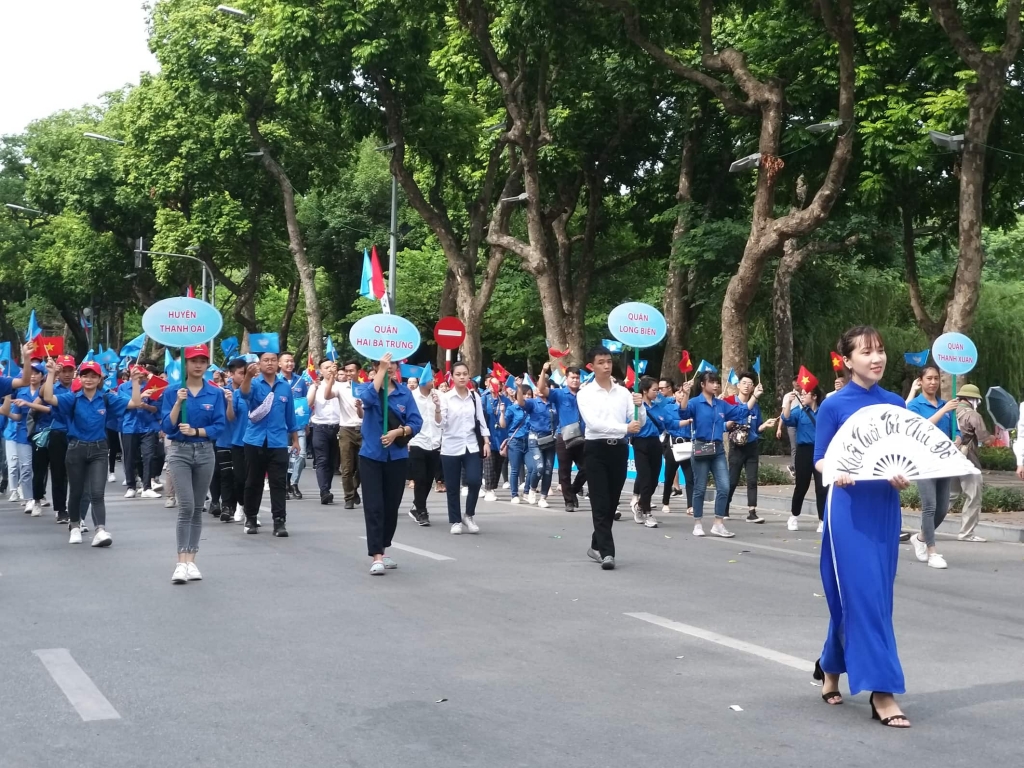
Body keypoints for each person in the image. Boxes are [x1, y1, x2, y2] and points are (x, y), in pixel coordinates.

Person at [813, 325, 911, 728]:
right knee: (866, 597)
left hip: (884, 509)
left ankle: (830, 664)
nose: (877, 358)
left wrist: (902, 475)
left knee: (871, 597)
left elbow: (902, 456)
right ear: (847, 360)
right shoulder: (833, 405)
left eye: (881, 350)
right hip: (848, 512)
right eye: (867, 352)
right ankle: (882, 692)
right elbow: (818, 458)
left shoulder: (894, 404)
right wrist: (836, 470)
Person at [42, 360, 144, 546]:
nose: (89, 379)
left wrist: (135, 381)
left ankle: (100, 530)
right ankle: (74, 526)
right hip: (76, 449)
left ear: (99, 379)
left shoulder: (106, 398)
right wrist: (50, 374)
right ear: (79, 378)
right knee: (77, 491)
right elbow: (48, 398)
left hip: (99, 449)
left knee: (97, 493)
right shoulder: (71, 398)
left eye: (93, 376)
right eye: (85, 375)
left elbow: (135, 402)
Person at [162, 345, 227, 584]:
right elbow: (167, 427)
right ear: (185, 364)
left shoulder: (215, 393)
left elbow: (219, 427)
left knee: (198, 506)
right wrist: (179, 404)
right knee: (186, 506)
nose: (198, 365)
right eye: (193, 361)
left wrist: (197, 431)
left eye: (202, 361)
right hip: (179, 452)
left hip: (205, 452)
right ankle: (180, 562)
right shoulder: (172, 392)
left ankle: (192, 561)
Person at [576, 346, 643, 570]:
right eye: (601, 362)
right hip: (596, 449)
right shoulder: (585, 393)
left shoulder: (623, 393)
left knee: (612, 500)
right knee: (600, 501)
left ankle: (596, 544)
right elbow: (594, 424)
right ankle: (607, 552)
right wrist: (625, 427)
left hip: (619, 450)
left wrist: (639, 407)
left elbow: (637, 422)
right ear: (592, 366)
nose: (606, 366)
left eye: (609, 362)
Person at [357, 353, 422, 574]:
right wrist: (380, 373)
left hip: (397, 457)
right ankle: (376, 556)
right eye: (385, 364)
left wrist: (398, 432)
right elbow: (366, 400)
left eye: (393, 364)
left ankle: (383, 549)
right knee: (373, 506)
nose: (390, 367)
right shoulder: (370, 389)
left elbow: (416, 422)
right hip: (371, 456)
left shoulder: (405, 393)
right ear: (375, 367)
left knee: (391, 507)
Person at [676, 371, 761, 538]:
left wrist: (755, 396)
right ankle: (698, 523)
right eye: (712, 382)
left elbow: (741, 412)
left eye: (717, 382)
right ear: (702, 384)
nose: (716, 385)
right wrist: (685, 394)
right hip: (701, 447)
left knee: (724, 486)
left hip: (718, 449)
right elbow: (683, 413)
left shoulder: (720, 404)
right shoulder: (695, 403)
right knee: (700, 488)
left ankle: (718, 523)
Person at [240, 349, 301, 537]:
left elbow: (290, 415)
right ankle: (250, 518)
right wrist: (248, 376)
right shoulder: (254, 383)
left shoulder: (284, 387)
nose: (270, 363)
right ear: (259, 363)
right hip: (255, 441)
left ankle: (279, 521)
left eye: (273, 360)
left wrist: (296, 439)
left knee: (278, 482)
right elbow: (244, 394)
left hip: (278, 442)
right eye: (265, 360)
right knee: (253, 481)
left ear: (278, 364)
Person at [905, 367, 960, 567]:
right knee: (930, 506)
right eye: (929, 378)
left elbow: (957, 432)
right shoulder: (914, 405)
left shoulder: (947, 405)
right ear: (920, 381)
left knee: (943, 508)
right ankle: (932, 552)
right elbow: (920, 428)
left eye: (936, 378)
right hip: (923, 462)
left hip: (944, 462)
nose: (933, 382)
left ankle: (920, 537)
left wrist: (957, 440)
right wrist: (943, 411)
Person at [437, 362, 490, 534]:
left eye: (465, 374)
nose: (461, 377)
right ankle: (455, 520)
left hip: (471, 445)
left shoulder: (475, 396)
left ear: (469, 376)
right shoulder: (445, 397)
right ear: (452, 376)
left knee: (474, 480)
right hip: (450, 446)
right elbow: (441, 424)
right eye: (458, 374)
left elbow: (481, 420)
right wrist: (437, 409)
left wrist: (486, 441)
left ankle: (469, 515)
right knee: (452, 486)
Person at [725, 371, 777, 525]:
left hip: (752, 446)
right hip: (736, 447)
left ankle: (752, 512)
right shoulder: (731, 404)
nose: (747, 386)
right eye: (744, 383)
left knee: (752, 480)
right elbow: (727, 424)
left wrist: (765, 425)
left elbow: (756, 428)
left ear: (754, 386)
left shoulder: (756, 408)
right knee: (732, 480)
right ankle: (724, 506)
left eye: (750, 384)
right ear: (738, 385)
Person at [538, 364, 587, 513]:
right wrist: (543, 371)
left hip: (582, 437)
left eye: (577, 378)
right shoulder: (559, 394)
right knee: (564, 471)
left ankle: (573, 490)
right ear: (566, 379)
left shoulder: (584, 394)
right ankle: (569, 501)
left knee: (587, 467)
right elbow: (541, 389)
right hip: (564, 437)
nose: (575, 380)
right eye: (572, 377)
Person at [782, 385, 828, 533]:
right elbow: (786, 418)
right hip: (804, 451)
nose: (802, 396)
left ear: (814, 396)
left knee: (822, 488)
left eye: (805, 394)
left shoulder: (824, 412)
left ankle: (822, 520)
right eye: (801, 394)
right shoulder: (800, 412)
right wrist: (788, 403)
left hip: (821, 452)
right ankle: (794, 516)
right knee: (801, 486)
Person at [7, 362, 47, 515]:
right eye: (30, 372)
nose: (33, 375)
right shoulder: (21, 392)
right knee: (25, 467)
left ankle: (39, 495)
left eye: (36, 373)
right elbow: (17, 416)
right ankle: (29, 499)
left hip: (40, 434)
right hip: (23, 434)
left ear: (42, 376)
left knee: (38, 468)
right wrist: (7, 412)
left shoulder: (44, 392)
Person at [954, 383, 990, 543]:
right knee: (973, 497)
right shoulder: (973, 415)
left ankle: (926, 528)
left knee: (948, 496)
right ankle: (966, 533)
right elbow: (985, 439)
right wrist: (993, 437)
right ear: (973, 399)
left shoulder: (951, 410)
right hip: (968, 461)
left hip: (949, 458)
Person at [119, 366, 162, 500]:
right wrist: (140, 397)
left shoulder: (152, 387)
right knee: (130, 457)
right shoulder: (123, 388)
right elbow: (123, 404)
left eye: (140, 374)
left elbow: (156, 409)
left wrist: (146, 406)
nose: (139, 376)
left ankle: (147, 487)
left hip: (147, 426)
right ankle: (131, 486)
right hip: (129, 426)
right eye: (135, 374)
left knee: (148, 456)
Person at [630, 376, 665, 528]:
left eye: (658, 390)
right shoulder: (637, 407)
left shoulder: (658, 407)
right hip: (640, 443)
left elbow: (665, 423)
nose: (657, 392)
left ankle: (639, 505)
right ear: (645, 391)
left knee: (654, 480)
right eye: (654, 390)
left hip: (655, 443)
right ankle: (647, 513)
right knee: (644, 478)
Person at [657, 379, 694, 515]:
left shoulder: (690, 408)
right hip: (673, 444)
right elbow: (670, 423)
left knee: (690, 477)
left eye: (683, 392)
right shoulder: (668, 408)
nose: (681, 395)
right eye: (679, 392)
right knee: (669, 475)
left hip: (687, 443)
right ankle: (665, 502)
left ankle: (690, 505)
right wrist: (686, 421)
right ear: (675, 394)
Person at [517, 381, 556, 507]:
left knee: (549, 469)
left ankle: (543, 497)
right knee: (539, 467)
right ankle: (532, 490)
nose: (541, 390)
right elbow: (521, 402)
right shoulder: (533, 403)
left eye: (543, 387)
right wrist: (518, 388)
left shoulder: (554, 403)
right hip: (535, 439)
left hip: (550, 439)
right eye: (538, 388)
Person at [408, 374, 441, 525]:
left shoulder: (439, 395)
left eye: (433, 378)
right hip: (417, 441)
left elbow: (443, 418)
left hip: (435, 441)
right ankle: (421, 511)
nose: (433, 381)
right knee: (420, 477)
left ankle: (417, 505)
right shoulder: (412, 396)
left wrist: (438, 405)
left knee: (428, 479)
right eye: (429, 379)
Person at [307, 358, 342, 504]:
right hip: (320, 427)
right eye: (326, 367)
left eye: (331, 367)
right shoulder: (316, 386)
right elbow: (309, 404)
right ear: (320, 370)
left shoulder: (342, 386)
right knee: (322, 460)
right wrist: (314, 388)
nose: (329, 370)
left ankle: (327, 487)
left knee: (332, 462)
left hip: (338, 428)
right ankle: (324, 491)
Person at [277, 351, 308, 499]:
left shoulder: (301, 381)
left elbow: (306, 402)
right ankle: (283, 484)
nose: (290, 364)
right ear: (279, 364)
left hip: (298, 424)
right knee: (283, 455)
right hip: (280, 425)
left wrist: (308, 421)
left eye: (291, 361)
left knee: (300, 455)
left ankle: (294, 483)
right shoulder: (275, 380)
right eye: (286, 361)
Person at [209, 372, 237, 522]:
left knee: (231, 474)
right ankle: (215, 501)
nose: (218, 383)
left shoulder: (237, 393)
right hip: (216, 436)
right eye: (215, 381)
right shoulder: (218, 394)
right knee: (217, 471)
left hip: (235, 438)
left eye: (220, 380)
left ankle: (231, 504)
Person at [337, 360, 363, 509]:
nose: (348, 374)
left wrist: (359, 407)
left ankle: (353, 488)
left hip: (362, 429)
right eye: (346, 371)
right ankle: (349, 497)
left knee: (362, 465)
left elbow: (363, 415)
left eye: (351, 371)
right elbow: (328, 395)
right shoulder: (340, 387)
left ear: (358, 372)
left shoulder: (364, 388)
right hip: (346, 429)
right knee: (346, 467)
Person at [499, 384, 531, 504]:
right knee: (515, 470)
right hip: (515, 441)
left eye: (529, 395)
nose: (527, 397)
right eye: (525, 394)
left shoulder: (531, 408)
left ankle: (527, 491)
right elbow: (503, 425)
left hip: (529, 442)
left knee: (533, 468)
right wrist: (502, 413)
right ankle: (514, 494)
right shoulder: (512, 408)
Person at [227, 358, 249, 522]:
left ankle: (251, 511)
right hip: (238, 442)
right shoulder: (234, 394)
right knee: (240, 478)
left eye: (246, 373)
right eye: (241, 373)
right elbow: (231, 417)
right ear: (232, 374)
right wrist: (229, 403)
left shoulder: (257, 391)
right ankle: (240, 505)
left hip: (256, 442)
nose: (244, 376)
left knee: (254, 479)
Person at [480, 378, 508, 502]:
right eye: (491, 384)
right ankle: (489, 490)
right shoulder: (484, 399)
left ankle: (492, 487)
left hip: (502, 436)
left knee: (498, 464)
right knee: (489, 463)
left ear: (501, 386)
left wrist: (502, 411)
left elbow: (509, 418)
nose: (493, 387)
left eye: (496, 384)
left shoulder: (506, 401)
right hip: (488, 436)